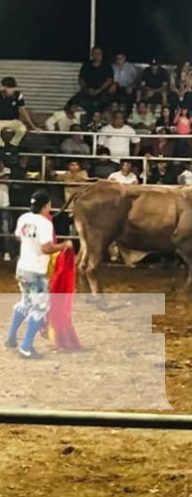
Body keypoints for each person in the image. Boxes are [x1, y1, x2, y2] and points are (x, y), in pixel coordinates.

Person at [5, 190, 73, 359]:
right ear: (46, 205)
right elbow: (46, 248)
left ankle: (11, 337)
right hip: (36, 271)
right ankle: (26, 346)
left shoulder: (24, 218)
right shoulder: (45, 223)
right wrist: (64, 245)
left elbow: (19, 237)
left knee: (25, 302)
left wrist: (31, 242)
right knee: (40, 307)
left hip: (22, 267)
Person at [0, 77, 38, 150]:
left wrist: (33, 126)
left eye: (13, 88)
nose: (12, 90)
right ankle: (2, 146)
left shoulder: (18, 95)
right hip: (0, 121)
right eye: (9, 88)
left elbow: (24, 111)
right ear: (4, 87)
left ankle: (12, 145)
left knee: (22, 129)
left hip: (14, 121)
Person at [75, 47, 114, 113]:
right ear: (92, 54)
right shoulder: (86, 65)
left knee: (105, 101)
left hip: (102, 91)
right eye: (95, 53)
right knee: (77, 100)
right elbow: (81, 79)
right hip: (87, 91)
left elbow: (109, 80)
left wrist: (98, 90)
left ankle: (97, 115)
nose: (97, 55)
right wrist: (86, 89)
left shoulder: (107, 65)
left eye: (99, 53)